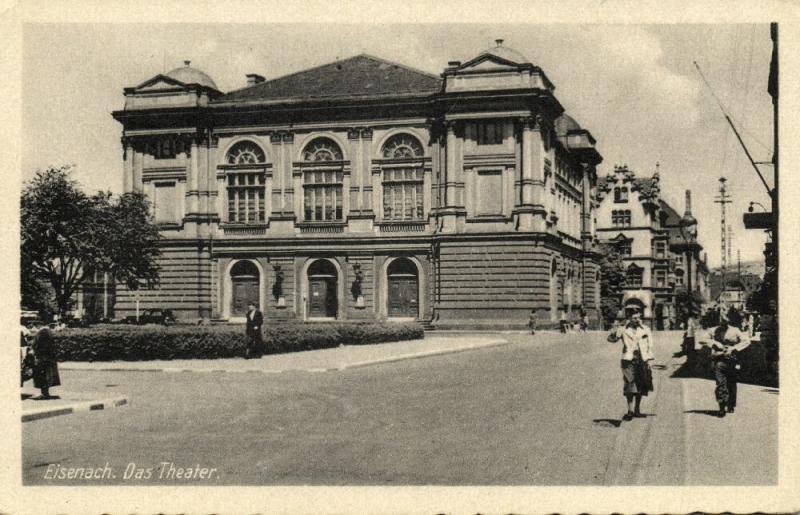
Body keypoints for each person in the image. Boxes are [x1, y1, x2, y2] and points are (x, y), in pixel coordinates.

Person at [697, 310, 751, 417]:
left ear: (729, 320)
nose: (723, 323)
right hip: (719, 360)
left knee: (731, 383)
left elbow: (747, 341)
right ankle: (721, 406)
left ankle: (730, 404)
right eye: (722, 320)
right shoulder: (713, 330)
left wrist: (734, 348)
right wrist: (714, 343)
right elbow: (701, 339)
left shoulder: (735, 331)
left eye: (726, 320)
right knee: (720, 383)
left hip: (732, 361)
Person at [607, 306, 654, 421]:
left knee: (640, 384)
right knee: (629, 383)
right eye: (634, 318)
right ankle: (630, 410)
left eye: (638, 317)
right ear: (629, 318)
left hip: (641, 360)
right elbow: (611, 340)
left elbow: (649, 346)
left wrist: (648, 360)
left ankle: (637, 409)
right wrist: (613, 333)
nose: (637, 320)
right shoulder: (623, 329)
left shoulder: (645, 329)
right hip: (628, 360)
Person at [31, 327, 60, 399]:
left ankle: (44, 394)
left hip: (42, 357)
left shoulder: (41, 332)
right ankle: (46, 393)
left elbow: (36, 345)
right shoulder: (49, 332)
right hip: (49, 357)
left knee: (42, 375)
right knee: (47, 375)